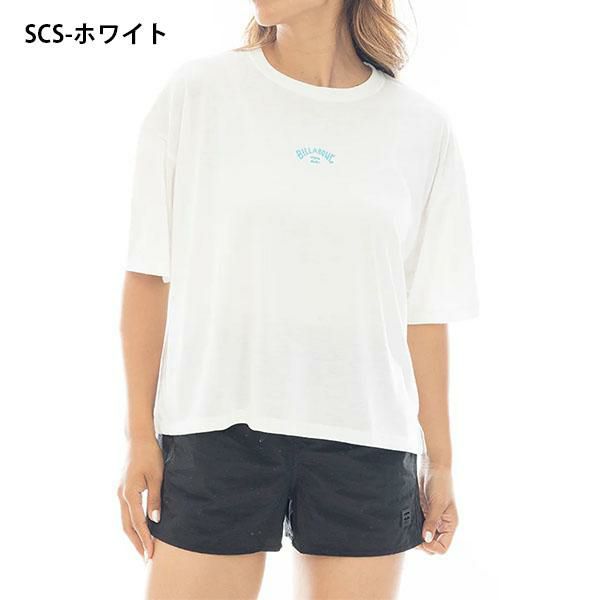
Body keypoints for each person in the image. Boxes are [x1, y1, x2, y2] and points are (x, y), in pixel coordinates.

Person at [118, 1, 478, 598]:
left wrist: (440, 461)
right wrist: (139, 436)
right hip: (218, 425)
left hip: (367, 439)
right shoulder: (200, 93)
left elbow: (422, 312)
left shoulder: (420, 127)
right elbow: (148, 277)